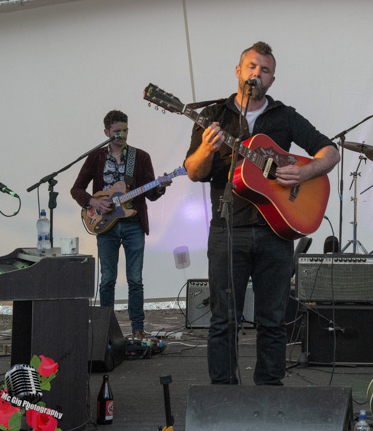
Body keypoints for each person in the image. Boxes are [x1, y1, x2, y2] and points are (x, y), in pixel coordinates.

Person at [184, 41, 339, 385]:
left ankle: (270, 390)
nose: (257, 73)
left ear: (271, 80)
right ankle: (222, 393)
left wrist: (304, 172)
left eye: (264, 70)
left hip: (275, 232)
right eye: (251, 66)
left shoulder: (284, 116)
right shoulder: (213, 116)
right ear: (238, 71)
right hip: (228, 229)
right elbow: (194, 171)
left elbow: (330, 151)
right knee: (225, 320)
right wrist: (208, 150)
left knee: (272, 319)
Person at [71, 110, 171, 340]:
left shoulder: (141, 157)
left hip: (133, 224)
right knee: (108, 279)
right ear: (106, 132)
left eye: (125, 130)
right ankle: (106, 329)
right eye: (116, 131)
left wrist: (161, 185)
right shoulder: (96, 157)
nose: (121, 135)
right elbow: (76, 189)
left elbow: (151, 194)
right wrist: (92, 201)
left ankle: (137, 329)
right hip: (105, 226)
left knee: (135, 279)